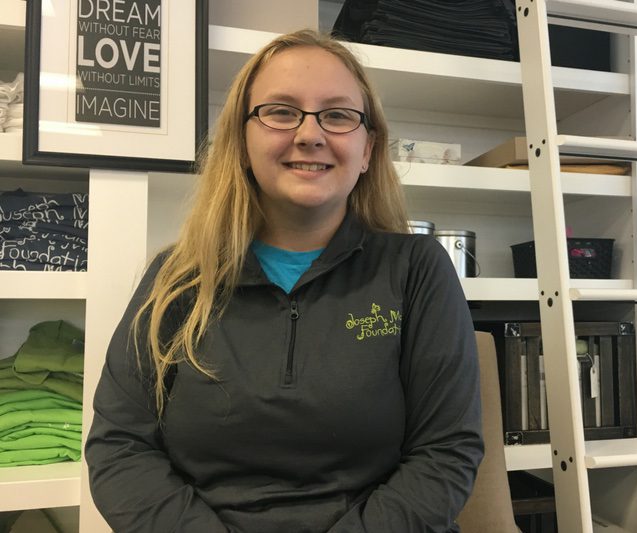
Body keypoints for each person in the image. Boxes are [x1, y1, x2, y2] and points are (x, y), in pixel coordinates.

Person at [85, 29, 483, 532]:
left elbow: (447, 453)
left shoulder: (417, 269)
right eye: (280, 111)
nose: (310, 134)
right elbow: (119, 449)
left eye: (338, 115)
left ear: (366, 150)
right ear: (241, 140)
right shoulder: (175, 279)